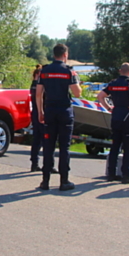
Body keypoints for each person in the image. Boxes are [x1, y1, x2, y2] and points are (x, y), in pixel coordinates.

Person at [36, 44, 82, 191]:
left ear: (53, 54)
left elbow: (38, 93)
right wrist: (77, 83)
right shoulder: (69, 72)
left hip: (49, 111)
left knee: (48, 147)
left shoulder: (45, 71)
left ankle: (45, 181)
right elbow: (77, 94)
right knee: (64, 147)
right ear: (65, 55)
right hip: (64, 112)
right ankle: (64, 181)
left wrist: (40, 111)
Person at [97, 63, 129, 183]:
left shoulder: (113, 84)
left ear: (120, 71)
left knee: (115, 146)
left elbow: (100, 96)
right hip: (128, 117)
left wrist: (109, 108)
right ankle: (126, 175)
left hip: (116, 117)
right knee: (128, 148)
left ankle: (111, 174)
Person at [29, 65, 57, 174]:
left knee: (36, 140)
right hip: (42, 113)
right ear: (38, 75)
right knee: (47, 140)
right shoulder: (40, 86)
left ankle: (34, 163)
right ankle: (49, 165)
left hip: (35, 114)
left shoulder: (33, 85)